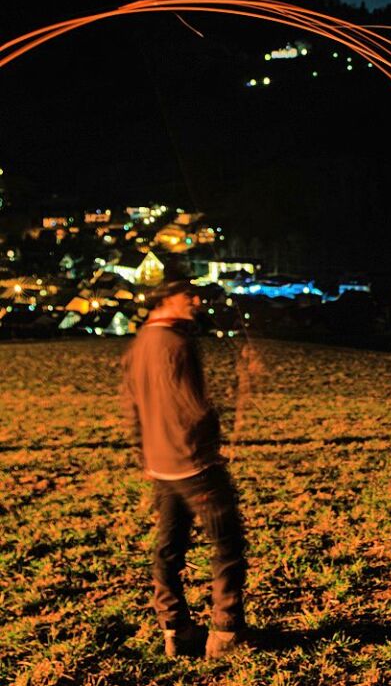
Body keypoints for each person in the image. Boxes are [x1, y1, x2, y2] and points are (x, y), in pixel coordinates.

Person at [121, 277, 248, 658]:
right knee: (227, 545)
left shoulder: (140, 343)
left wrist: (147, 454)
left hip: (161, 465)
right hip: (194, 463)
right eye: (186, 295)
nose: (195, 300)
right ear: (165, 300)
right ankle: (226, 633)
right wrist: (211, 439)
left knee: (169, 550)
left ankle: (175, 629)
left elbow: (132, 405)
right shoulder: (175, 344)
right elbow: (190, 404)